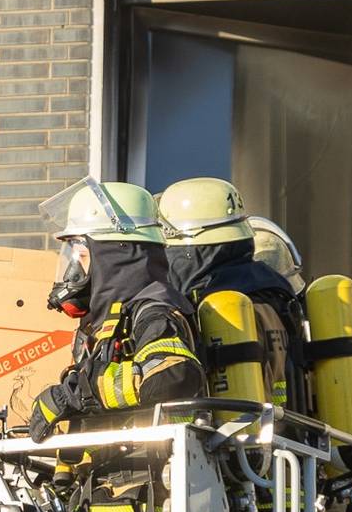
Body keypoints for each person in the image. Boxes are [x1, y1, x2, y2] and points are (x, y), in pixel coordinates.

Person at [27, 180, 208, 441]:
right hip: (116, 471)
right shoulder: (102, 326)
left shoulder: (153, 311)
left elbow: (172, 374)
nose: (73, 271)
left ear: (113, 256)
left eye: (81, 256)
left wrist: (74, 394)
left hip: (151, 472)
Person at [158, 177, 310, 414]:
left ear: (186, 246)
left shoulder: (216, 304)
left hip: (231, 442)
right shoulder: (273, 293)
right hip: (289, 434)